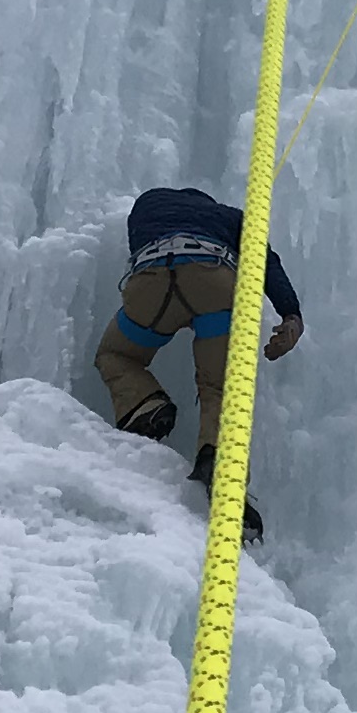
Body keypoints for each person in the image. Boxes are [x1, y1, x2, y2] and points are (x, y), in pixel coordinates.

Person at [97, 185, 304, 525]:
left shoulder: (146, 204)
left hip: (151, 282)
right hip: (214, 283)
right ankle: (220, 466)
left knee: (116, 355)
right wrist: (291, 314)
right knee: (220, 388)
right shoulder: (228, 216)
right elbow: (265, 260)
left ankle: (146, 404)